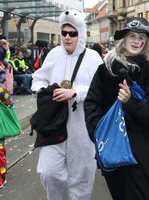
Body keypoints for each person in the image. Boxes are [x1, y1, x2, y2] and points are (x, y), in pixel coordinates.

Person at [85, 17, 149, 200]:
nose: (137, 41)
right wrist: (100, 131)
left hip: (141, 153)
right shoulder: (105, 70)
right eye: (132, 36)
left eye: (141, 38)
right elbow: (91, 104)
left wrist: (131, 102)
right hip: (113, 149)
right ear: (124, 40)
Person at [31, 10, 103, 200]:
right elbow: (38, 77)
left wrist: (76, 93)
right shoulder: (54, 54)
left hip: (81, 126)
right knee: (49, 172)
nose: (67, 37)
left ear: (80, 34)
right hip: (53, 123)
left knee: (80, 177)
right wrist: (41, 90)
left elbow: (101, 90)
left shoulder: (93, 58)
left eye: (72, 33)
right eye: (64, 33)